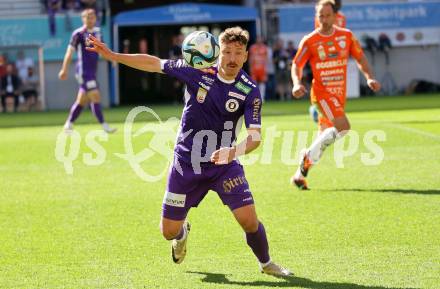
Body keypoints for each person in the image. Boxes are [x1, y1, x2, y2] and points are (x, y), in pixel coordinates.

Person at [87, 26, 292, 277]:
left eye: (238, 53)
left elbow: (255, 137)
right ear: (218, 53)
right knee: (168, 232)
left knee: (249, 220)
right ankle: (182, 233)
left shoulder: (249, 90)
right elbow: (154, 63)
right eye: (227, 52)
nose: (232, 58)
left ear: (246, 56)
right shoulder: (196, 72)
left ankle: (267, 263)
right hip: (186, 163)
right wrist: (114, 56)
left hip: (223, 165)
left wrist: (233, 152)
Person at [290, 0, 381, 190]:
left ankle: (299, 175)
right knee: (343, 127)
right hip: (322, 94)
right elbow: (297, 64)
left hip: (339, 95)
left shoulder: (346, 36)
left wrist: (370, 78)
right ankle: (306, 156)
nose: (323, 19)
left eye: (327, 15)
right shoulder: (310, 40)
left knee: (322, 141)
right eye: (320, 16)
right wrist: (297, 83)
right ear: (317, 17)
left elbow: (360, 57)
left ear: (335, 16)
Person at [58, 8, 116, 133]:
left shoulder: (98, 33)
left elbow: (104, 50)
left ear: (95, 18)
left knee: (81, 100)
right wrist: (64, 69)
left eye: (92, 17)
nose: (90, 19)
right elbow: (69, 51)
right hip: (83, 72)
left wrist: (112, 59)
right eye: (87, 17)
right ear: (83, 19)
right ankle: (105, 126)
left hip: (93, 71)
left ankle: (68, 124)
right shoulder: (78, 34)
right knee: (95, 95)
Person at [309, 0, 346, 124]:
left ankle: (325, 111)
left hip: (336, 55)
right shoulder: (322, 16)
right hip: (323, 53)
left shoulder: (342, 18)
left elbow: (341, 35)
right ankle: (317, 109)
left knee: (335, 89)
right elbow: (320, 30)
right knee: (321, 84)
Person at [249, 36, 268, 102]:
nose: (259, 40)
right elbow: (250, 58)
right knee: (254, 83)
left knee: (262, 83)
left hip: (262, 68)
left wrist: (266, 68)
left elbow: (266, 59)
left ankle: (262, 97)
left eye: (260, 39)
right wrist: (250, 67)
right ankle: (255, 97)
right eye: (258, 39)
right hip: (254, 68)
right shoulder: (252, 47)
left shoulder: (264, 48)